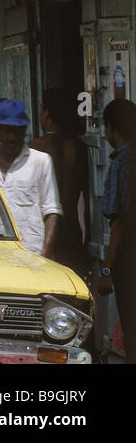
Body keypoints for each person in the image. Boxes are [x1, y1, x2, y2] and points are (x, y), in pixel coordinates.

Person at [0, 98, 61, 257]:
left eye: (19, 131)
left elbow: (52, 211)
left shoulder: (41, 161)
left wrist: (45, 256)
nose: (14, 137)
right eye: (8, 130)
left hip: (31, 254)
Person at [30, 87, 90, 275]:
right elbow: (89, 200)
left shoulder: (34, 148)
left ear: (47, 113)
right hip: (72, 232)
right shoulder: (80, 149)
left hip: (43, 232)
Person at [96, 99, 136, 350]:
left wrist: (107, 271)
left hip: (129, 261)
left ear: (109, 128)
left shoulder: (121, 163)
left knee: (132, 328)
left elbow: (119, 223)